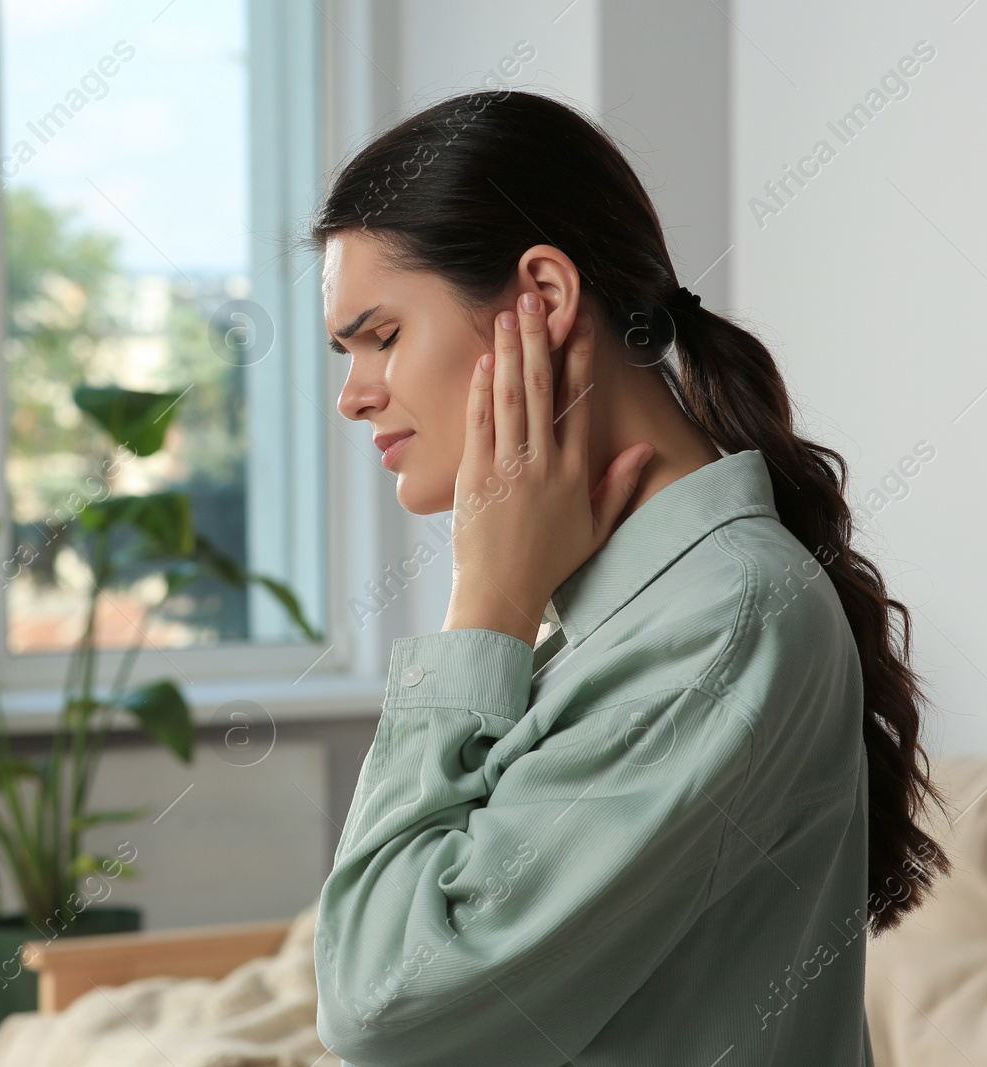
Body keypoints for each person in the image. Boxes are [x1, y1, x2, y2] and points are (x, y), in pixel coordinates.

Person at [309, 88, 950, 1067]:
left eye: (382, 335)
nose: (354, 395)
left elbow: (381, 1004)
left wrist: (484, 602)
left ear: (544, 298)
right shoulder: (640, 605)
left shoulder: (723, 617)